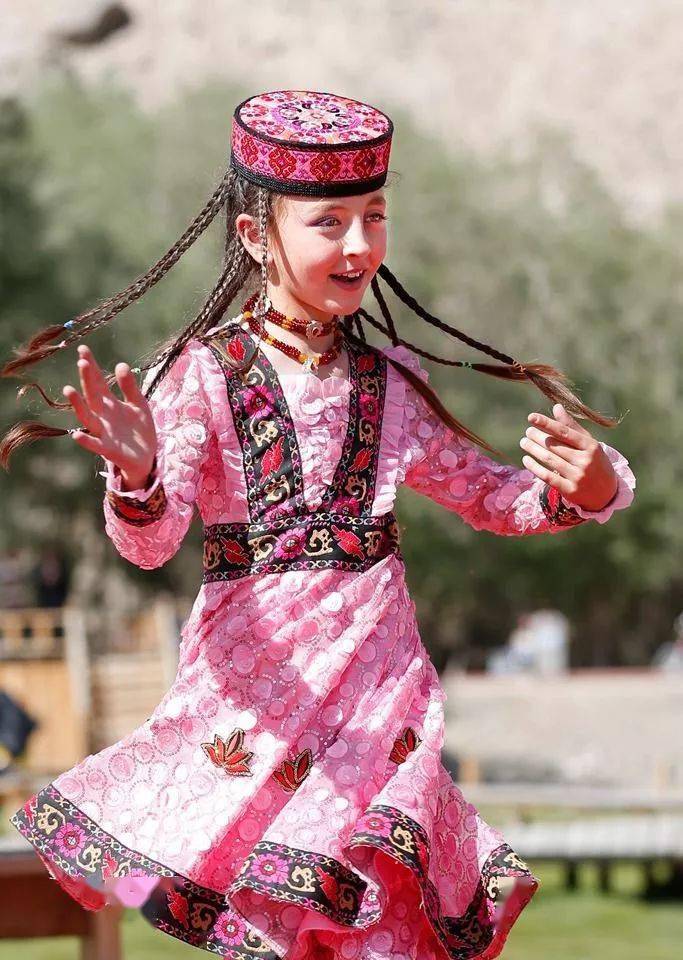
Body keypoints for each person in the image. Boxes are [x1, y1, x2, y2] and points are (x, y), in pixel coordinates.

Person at [0, 90, 635, 960]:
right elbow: (149, 544)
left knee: (377, 928)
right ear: (256, 236)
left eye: (374, 217)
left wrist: (588, 487)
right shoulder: (202, 374)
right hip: (258, 702)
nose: (359, 245)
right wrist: (139, 477)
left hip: (380, 701)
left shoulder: (391, 381)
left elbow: (494, 498)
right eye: (329, 223)